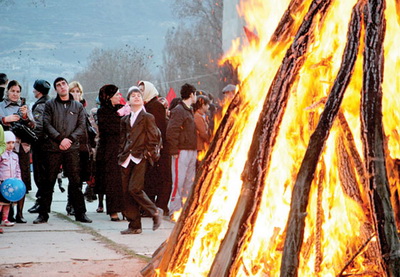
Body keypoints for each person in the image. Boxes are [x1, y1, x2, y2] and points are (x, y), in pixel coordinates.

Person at [33, 77, 91, 224]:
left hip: (72, 148)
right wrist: (60, 139)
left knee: (75, 182)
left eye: (64, 84)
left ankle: (80, 213)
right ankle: (43, 214)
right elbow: (46, 123)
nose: (62, 87)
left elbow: (81, 126)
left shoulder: (77, 106)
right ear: (55, 89)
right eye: (58, 85)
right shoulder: (50, 104)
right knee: (48, 182)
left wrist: (69, 139)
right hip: (53, 148)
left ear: (67, 86)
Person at [118, 86, 163, 234]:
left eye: (139, 95)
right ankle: (134, 225)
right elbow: (123, 139)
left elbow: (154, 137)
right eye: (133, 96)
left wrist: (147, 153)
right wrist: (121, 153)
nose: (136, 97)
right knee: (126, 191)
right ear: (128, 101)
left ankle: (155, 211)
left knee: (134, 188)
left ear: (142, 100)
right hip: (126, 157)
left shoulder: (147, 117)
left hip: (140, 157)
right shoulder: (125, 119)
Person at [0, 80, 35, 223]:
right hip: (5, 147)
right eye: (12, 91)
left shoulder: (23, 106)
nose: (15, 94)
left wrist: (26, 116)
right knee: (4, 178)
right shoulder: (1, 106)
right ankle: (6, 214)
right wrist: (5, 119)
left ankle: (20, 213)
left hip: (22, 147)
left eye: (17, 91)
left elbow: (34, 125)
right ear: (7, 91)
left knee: (22, 179)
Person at [138, 80, 171, 216]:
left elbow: (158, 128)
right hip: (153, 147)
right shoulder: (147, 106)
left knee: (161, 177)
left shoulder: (155, 106)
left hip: (159, 148)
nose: (140, 93)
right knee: (152, 177)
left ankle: (160, 205)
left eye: (142, 90)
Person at [166, 83, 197, 218]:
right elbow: (172, 131)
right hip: (181, 151)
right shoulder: (179, 110)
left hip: (191, 149)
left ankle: (184, 210)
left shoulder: (189, 110)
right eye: (195, 94)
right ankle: (174, 210)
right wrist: (174, 149)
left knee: (188, 181)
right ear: (191, 94)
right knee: (178, 181)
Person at [65, 81, 95, 215]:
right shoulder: (67, 108)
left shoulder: (83, 109)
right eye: (73, 91)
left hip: (83, 148)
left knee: (80, 178)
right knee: (73, 178)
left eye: (78, 92)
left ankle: (74, 203)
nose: (76, 94)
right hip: (72, 147)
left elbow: (88, 130)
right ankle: (71, 204)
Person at [95, 84, 124, 221]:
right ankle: (113, 210)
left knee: (123, 180)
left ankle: (124, 208)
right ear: (109, 97)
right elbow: (109, 129)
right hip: (110, 150)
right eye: (117, 94)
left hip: (123, 148)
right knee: (112, 180)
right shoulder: (102, 111)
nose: (120, 97)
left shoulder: (122, 109)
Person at [28, 79, 52, 214]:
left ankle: (41, 201)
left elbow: (39, 126)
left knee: (40, 175)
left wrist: (32, 139)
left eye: (35, 89)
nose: (33, 91)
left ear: (38, 91)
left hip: (41, 145)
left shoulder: (40, 105)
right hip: (48, 144)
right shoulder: (50, 102)